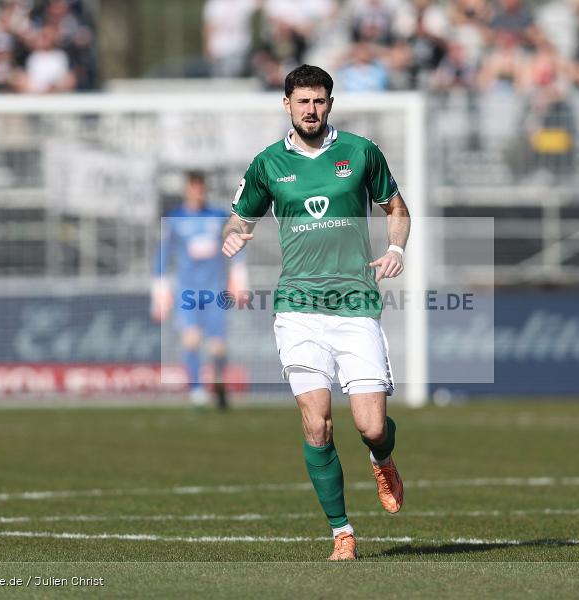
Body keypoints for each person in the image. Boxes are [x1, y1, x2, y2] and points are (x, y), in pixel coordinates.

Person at [221, 65, 410, 561]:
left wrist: (396, 249)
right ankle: (342, 532)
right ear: (287, 104)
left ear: (329, 104)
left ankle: (383, 458)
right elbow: (238, 217)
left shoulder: (360, 152)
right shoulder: (268, 163)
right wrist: (235, 235)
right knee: (316, 424)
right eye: (302, 101)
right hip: (298, 308)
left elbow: (397, 209)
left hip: (355, 304)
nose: (311, 109)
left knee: (371, 426)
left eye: (319, 101)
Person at [153, 171, 244, 410]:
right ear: (186, 191)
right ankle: (196, 391)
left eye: (201, 189)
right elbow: (162, 254)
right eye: (193, 189)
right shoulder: (174, 220)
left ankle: (219, 384)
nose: (197, 194)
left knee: (218, 347)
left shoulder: (218, 216)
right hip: (187, 291)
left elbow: (235, 244)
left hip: (215, 291)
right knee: (191, 340)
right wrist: (160, 288)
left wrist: (238, 276)